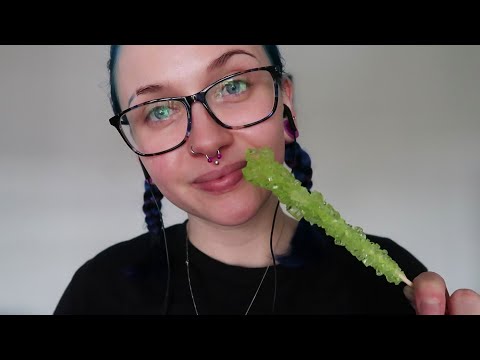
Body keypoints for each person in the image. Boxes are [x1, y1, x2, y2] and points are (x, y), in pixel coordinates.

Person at [54, 45, 480, 315]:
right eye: (159, 111)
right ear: (137, 145)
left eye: (233, 85)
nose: (208, 140)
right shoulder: (98, 294)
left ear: (285, 103)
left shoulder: (389, 288)